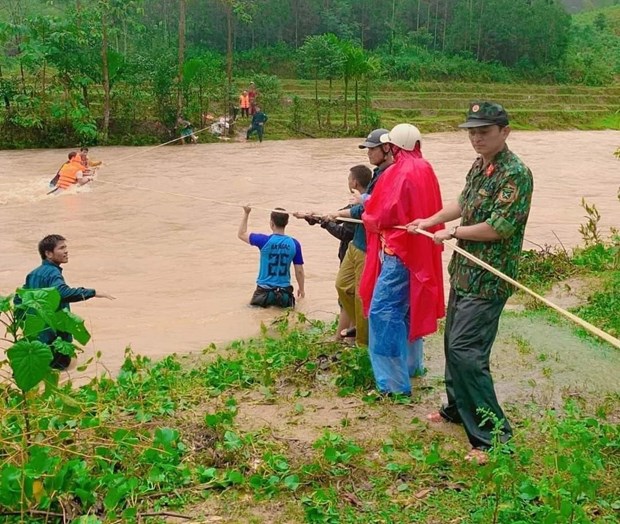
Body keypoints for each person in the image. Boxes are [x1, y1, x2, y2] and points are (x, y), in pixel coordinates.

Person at [408, 101, 534, 464]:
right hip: (465, 272)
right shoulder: (480, 165)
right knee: (453, 344)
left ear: (504, 132)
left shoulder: (515, 173)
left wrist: (452, 233)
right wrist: (430, 220)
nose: (476, 138)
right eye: (472, 132)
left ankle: (494, 438)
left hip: (489, 279)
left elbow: (498, 227)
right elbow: (464, 202)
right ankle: (455, 409)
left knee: (468, 354)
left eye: (484, 132)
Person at [359, 124, 445, 396]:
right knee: (407, 311)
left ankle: (393, 386)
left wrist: (364, 206)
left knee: (383, 314)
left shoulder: (399, 171)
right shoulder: (426, 168)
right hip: (418, 254)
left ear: (393, 146)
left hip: (400, 254)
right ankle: (412, 368)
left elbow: (382, 214)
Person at [326, 129, 392, 345]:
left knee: (363, 294)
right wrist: (339, 214)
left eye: (372, 149)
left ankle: (362, 343)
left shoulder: (391, 175)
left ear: (387, 148)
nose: (369, 153)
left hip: (370, 246)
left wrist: (359, 204)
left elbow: (375, 209)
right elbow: (362, 210)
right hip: (357, 242)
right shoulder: (376, 174)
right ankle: (357, 325)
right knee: (342, 285)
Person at [295, 165, 371, 340]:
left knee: (348, 299)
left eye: (348, 179)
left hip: (354, 256)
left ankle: (343, 339)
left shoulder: (360, 204)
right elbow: (336, 216)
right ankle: (349, 337)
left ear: (354, 182)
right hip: (353, 255)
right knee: (350, 297)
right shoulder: (359, 203)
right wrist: (313, 217)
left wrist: (325, 222)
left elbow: (345, 233)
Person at [20, 234, 115, 369]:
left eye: (66, 247)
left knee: (41, 373)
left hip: (35, 335)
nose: (66, 251)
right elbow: (63, 293)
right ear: (48, 254)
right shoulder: (53, 273)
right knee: (66, 369)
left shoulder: (33, 274)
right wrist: (93, 293)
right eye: (61, 248)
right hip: (53, 336)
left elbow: (20, 298)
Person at [238, 206, 305, 308]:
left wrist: (246, 213)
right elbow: (299, 271)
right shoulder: (294, 244)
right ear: (286, 223)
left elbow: (241, 234)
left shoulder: (263, 241)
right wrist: (301, 289)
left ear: (271, 223)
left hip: (263, 293)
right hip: (284, 295)